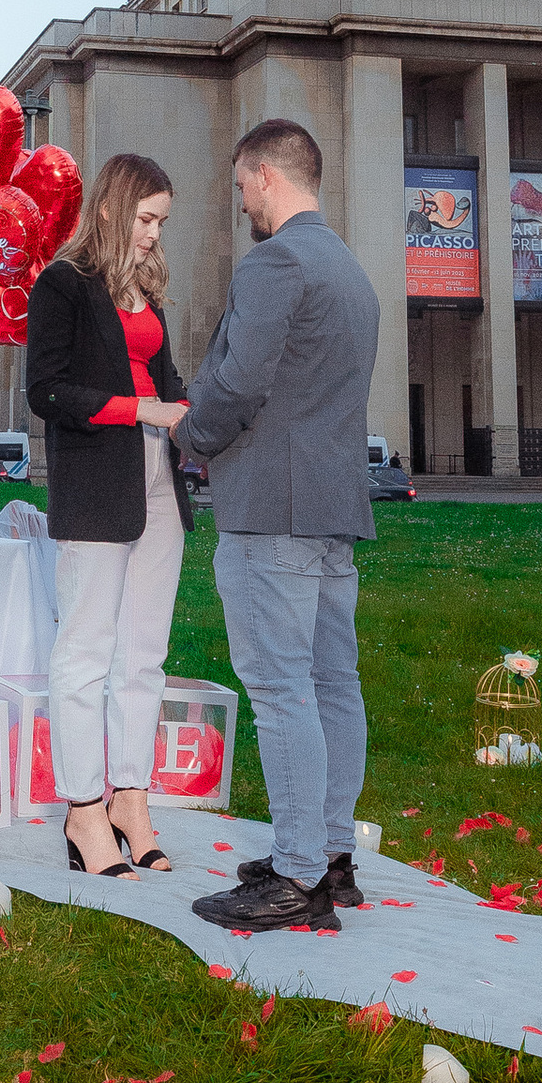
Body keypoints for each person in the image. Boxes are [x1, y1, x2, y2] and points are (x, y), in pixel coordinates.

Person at [179, 118, 379, 935]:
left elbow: (239, 381)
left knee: (281, 688)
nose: (242, 205)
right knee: (333, 683)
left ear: (265, 175)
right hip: (333, 511)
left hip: (272, 512)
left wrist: (190, 434)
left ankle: (298, 876)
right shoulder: (350, 269)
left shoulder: (276, 262)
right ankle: (330, 854)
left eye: (241, 187)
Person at [23, 151, 193, 880]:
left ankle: (131, 798)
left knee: (143, 655)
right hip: (96, 484)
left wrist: (195, 416)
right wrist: (140, 410)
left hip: (160, 482)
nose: (153, 234)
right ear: (113, 210)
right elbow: (46, 391)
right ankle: (84, 809)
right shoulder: (63, 283)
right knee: (85, 654)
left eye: (161, 223)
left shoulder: (146, 295)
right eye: (146, 219)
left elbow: (168, 382)